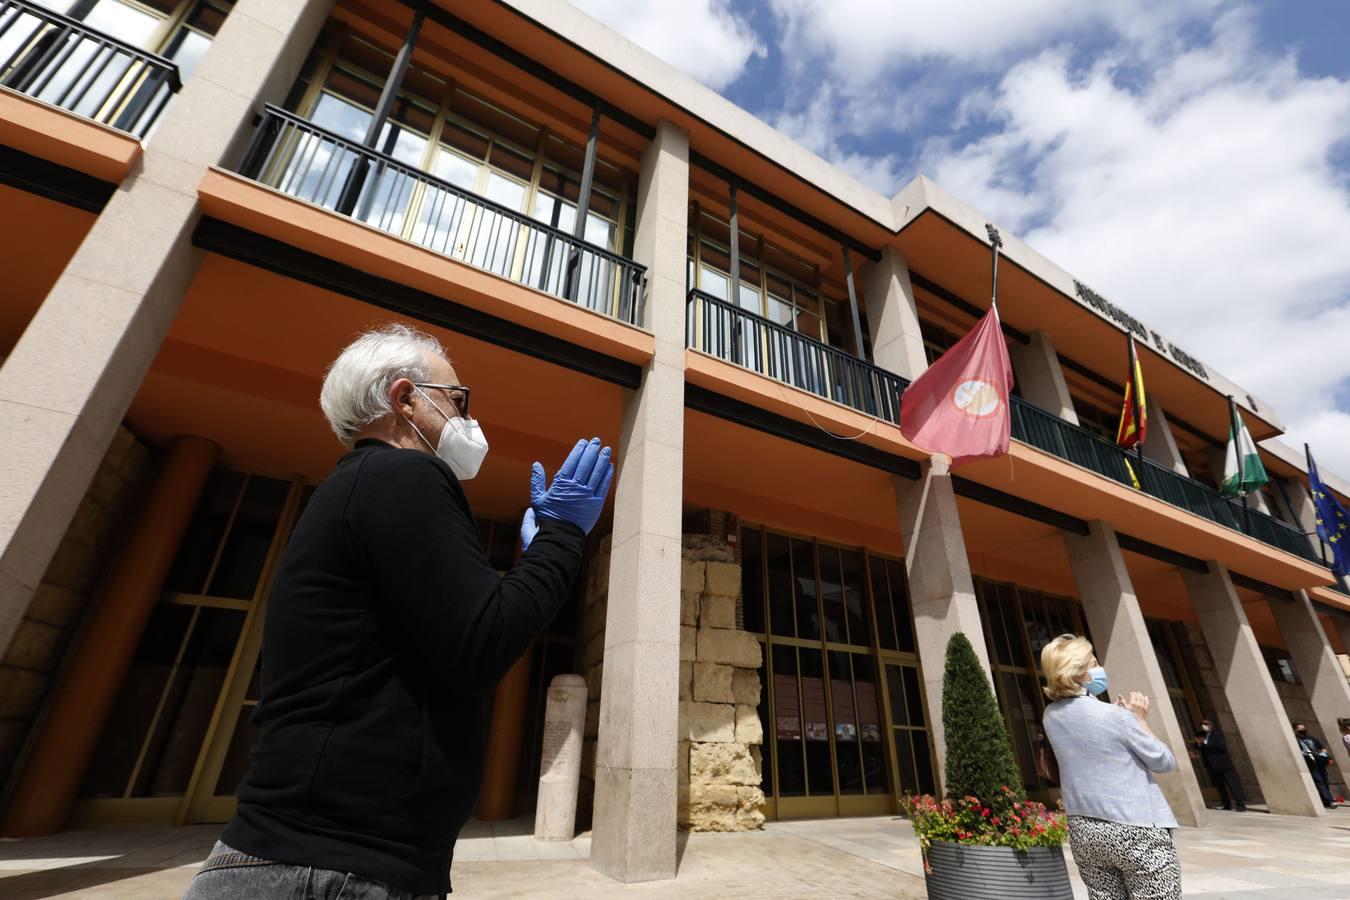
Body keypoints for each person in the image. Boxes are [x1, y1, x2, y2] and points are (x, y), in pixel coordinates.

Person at [184, 325, 614, 900]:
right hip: (330, 871)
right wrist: (563, 537)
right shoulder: (404, 474)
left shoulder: (362, 487)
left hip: (310, 864)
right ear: (405, 398)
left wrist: (541, 554)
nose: (468, 421)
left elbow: (464, 627)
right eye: (458, 401)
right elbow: (484, 640)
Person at [1042, 634, 1181, 900]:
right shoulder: (1117, 717)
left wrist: (1120, 717)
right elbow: (1164, 760)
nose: (1098, 667)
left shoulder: (1051, 716)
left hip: (1084, 829)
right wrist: (1138, 719)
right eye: (1092, 663)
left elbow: (1090, 734)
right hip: (1137, 830)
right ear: (1078, 673)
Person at [1193, 719, 1246, 812]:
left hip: (1223, 764)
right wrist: (1198, 743)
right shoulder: (1201, 734)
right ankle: (1226, 804)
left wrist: (1205, 743)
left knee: (1233, 784)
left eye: (1206, 724)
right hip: (1212, 765)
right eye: (1202, 724)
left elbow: (1221, 747)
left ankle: (1240, 804)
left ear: (1211, 725)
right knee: (1220, 786)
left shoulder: (1217, 735)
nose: (1204, 726)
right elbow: (1199, 747)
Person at [1294, 721, 1337, 809]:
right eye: (1300, 729)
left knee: (1324, 781)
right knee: (1319, 781)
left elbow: (1322, 748)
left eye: (1304, 728)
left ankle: (1326, 800)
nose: (1303, 730)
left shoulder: (1312, 738)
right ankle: (1330, 800)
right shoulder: (1296, 740)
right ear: (1295, 730)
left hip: (1320, 762)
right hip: (1310, 763)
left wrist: (1323, 754)